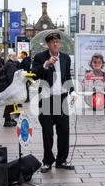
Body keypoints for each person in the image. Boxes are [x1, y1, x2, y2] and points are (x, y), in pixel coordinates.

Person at [32, 31, 77, 173]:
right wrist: (46, 64)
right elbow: (34, 75)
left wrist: (73, 91)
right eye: (52, 42)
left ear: (60, 43)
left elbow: (67, 76)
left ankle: (62, 160)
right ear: (48, 44)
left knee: (64, 131)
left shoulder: (65, 58)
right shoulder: (40, 57)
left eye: (57, 41)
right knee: (47, 133)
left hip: (62, 99)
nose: (55, 44)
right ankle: (47, 161)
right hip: (46, 99)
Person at [0, 53, 20, 127]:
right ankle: (7, 121)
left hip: (7, 87)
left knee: (12, 104)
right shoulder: (11, 65)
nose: (17, 58)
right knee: (10, 104)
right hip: (9, 87)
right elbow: (10, 77)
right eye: (16, 56)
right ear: (13, 57)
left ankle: (12, 119)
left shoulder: (9, 64)